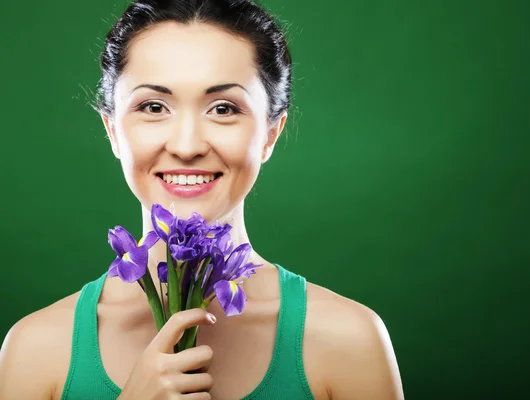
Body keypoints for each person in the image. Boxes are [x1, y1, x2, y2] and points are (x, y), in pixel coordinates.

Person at [0, 0, 405, 398]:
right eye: (154, 106)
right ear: (112, 132)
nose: (187, 145)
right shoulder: (37, 349)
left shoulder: (348, 340)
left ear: (270, 134)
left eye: (224, 108)